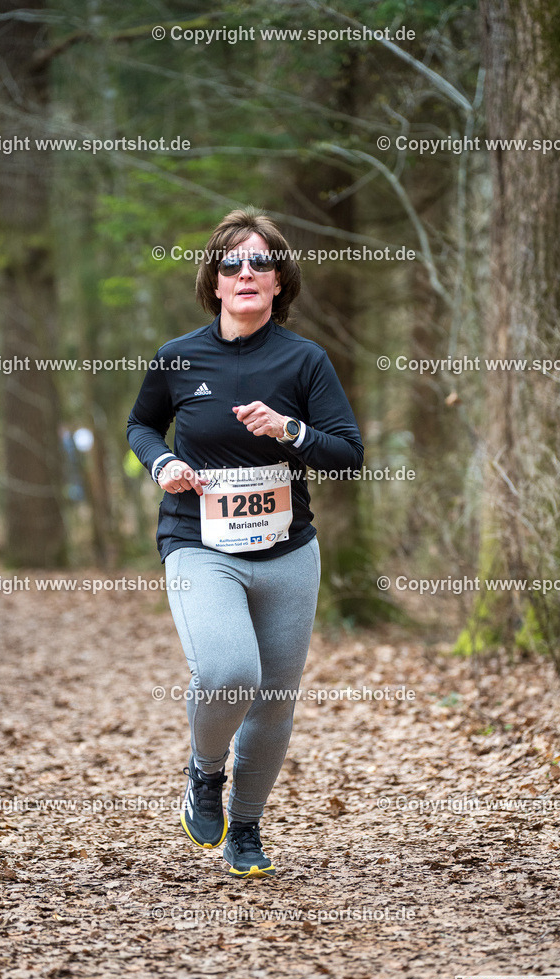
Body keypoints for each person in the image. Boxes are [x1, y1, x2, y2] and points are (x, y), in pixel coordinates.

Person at [127, 207, 363, 878]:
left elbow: (347, 456)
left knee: (274, 700)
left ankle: (247, 830)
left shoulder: (304, 360)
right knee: (231, 673)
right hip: (197, 541)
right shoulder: (178, 356)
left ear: (281, 280)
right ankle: (204, 774)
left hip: (287, 551)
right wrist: (160, 463)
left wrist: (290, 433)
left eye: (261, 261)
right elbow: (141, 424)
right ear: (215, 280)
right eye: (232, 262)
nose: (247, 272)